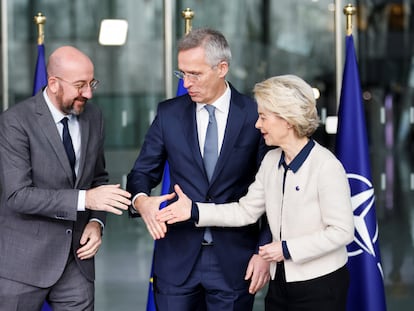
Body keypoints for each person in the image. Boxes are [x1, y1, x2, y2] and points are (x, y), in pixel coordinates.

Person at [157, 75, 355, 311]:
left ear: (287, 120)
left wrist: (286, 248)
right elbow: (245, 211)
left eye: (263, 117)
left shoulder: (326, 165)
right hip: (280, 283)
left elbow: (342, 232)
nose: (257, 125)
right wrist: (194, 210)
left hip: (321, 285)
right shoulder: (272, 160)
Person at [126, 28, 272, 310]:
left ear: (222, 68)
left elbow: (272, 192)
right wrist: (141, 201)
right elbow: (141, 173)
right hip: (177, 260)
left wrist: (264, 253)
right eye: (182, 74)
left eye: (195, 74)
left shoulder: (255, 115)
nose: (187, 83)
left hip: (235, 261)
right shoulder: (169, 113)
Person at [0, 46, 131, 311]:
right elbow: (17, 196)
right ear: (53, 83)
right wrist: (86, 199)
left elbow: (98, 178)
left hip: (76, 261)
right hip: (23, 263)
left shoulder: (94, 116)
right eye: (80, 85)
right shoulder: (15, 122)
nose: (89, 93)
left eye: (91, 83)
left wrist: (96, 222)